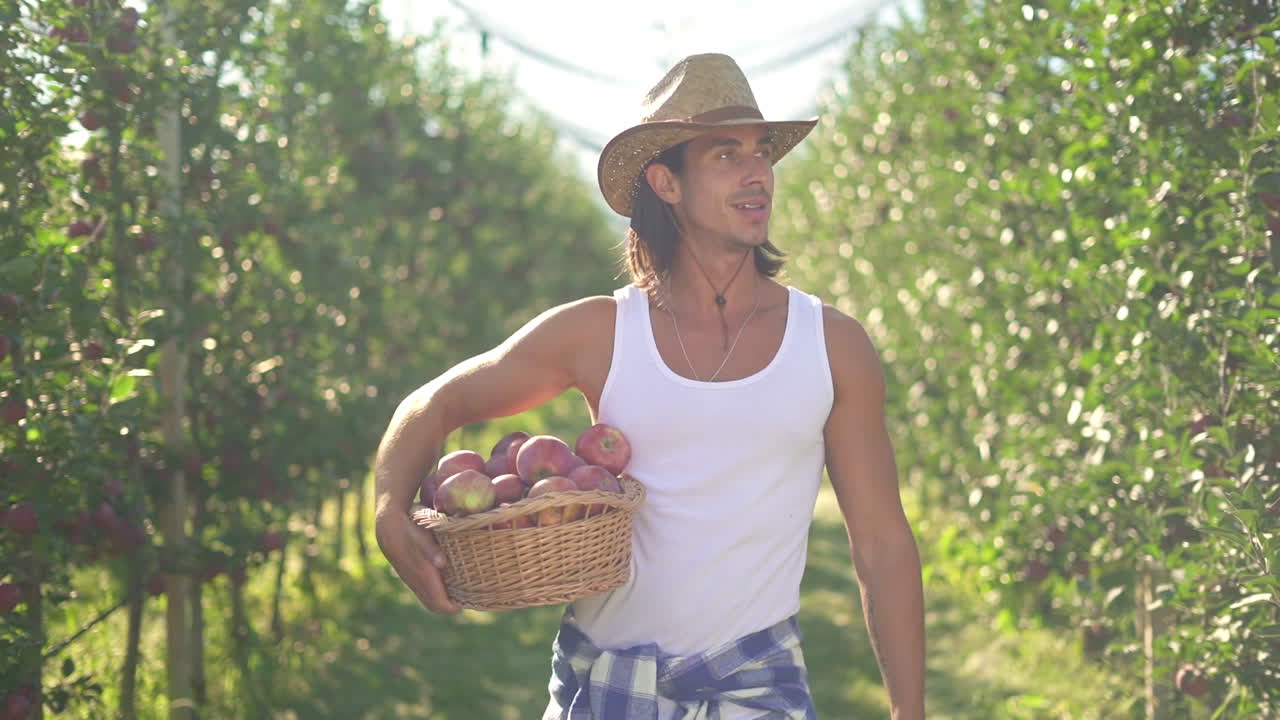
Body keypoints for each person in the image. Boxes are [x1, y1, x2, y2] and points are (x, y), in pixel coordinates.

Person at [374, 53, 925, 719]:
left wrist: (910, 713)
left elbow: (883, 547)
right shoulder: (600, 333)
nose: (758, 172)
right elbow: (435, 404)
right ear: (666, 182)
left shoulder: (831, 345)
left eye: (762, 152)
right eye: (726, 154)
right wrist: (387, 510)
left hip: (752, 691)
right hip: (605, 690)